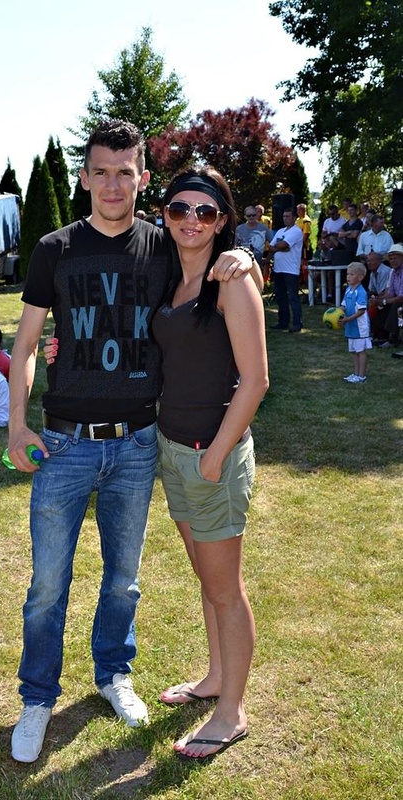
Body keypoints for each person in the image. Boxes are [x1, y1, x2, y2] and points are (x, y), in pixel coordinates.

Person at [6, 119, 258, 764]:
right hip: (64, 442)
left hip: (140, 441)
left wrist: (248, 258)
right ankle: (37, 698)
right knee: (47, 584)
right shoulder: (54, 249)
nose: (113, 185)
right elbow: (27, 344)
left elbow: (215, 250)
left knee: (123, 580)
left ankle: (114, 675)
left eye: (125, 172)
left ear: (142, 178)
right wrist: (17, 424)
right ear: (84, 177)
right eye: (101, 172)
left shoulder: (162, 243)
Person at [154, 167, 268, 761]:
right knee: (208, 579)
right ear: (165, 215)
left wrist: (217, 456)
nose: (191, 221)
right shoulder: (170, 273)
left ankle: (232, 712)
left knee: (225, 590)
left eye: (205, 211)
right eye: (180, 209)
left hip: (210, 455)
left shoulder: (231, 280)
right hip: (174, 450)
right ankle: (216, 678)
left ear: (223, 220)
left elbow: (256, 379)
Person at [268, 208, 304, 332]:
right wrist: (281, 247)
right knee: (280, 297)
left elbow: (284, 245)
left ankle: (297, 323)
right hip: (278, 269)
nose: (285, 218)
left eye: (288, 216)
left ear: (294, 218)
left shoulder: (296, 231)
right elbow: (271, 246)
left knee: (293, 297)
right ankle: (283, 321)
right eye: (284, 216)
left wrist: (280, 246)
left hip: (291, 270)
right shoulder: (280, 231)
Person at [338, 262, 371, 383]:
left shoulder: (361, 292)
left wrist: (347, 319)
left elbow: (361, 311)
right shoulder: (348, 290)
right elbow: (343, 306)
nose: (348, 277)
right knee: (353, 351)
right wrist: (337, 313)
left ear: (360, 277)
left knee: (360, 351)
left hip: (360, 328)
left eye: (352, 274)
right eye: (347, 274)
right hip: (351, 326)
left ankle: (361, 376)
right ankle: (355, 374)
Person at [372, 243, 403, 348]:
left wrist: (384, 301)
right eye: (391, 259)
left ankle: (393, 338)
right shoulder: (393, 272)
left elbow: (401, 297)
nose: (393, 261)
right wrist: (378, 300)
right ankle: (381, 335)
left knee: (394, 305)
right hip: (398, 299)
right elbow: (390, 293)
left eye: (395, 258)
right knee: (380, 305)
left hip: (401, 301)